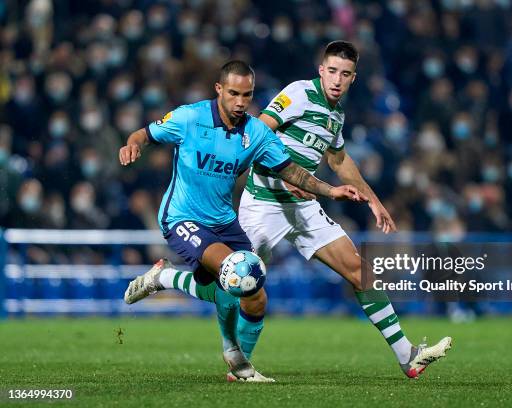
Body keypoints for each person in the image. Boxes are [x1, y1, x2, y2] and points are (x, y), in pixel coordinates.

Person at [130, 42, 452, 380]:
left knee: (361, 272)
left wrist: (373, 199)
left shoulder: (336, 114)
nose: (337, 79)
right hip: (265, 204)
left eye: (345, 74)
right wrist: (282, 178)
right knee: (236, 283)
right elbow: (256, 133)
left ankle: (407, 356)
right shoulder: (297, 94)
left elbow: (339, 160)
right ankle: (166, 278)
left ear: (353, 78)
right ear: (320, 70)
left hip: (305, 207)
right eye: (332, 71)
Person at [120, 60, 368, 382]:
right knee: (235, 272)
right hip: (182, 217)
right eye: (233, 93)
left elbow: (291, 171)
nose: (240, 102)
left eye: (247, 95)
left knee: (254, 296)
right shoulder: (189, 117)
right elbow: (144, 133)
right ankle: (237, 360)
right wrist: (132, 145)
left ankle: (165, 278)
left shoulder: (256, 132)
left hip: (224, 220)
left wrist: (331, 191)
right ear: (219, 89)